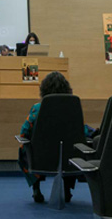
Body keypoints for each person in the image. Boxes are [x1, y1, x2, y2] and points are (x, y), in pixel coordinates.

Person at [18, 71, 77, 203]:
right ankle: (67, 190)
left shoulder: (38, 108)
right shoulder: (72, 107)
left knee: (24, 150)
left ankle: (36, 189)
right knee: (71, 148)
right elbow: (81, 130)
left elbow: (24, 131)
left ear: (44, 89)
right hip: (66, 156)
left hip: (41, 156)